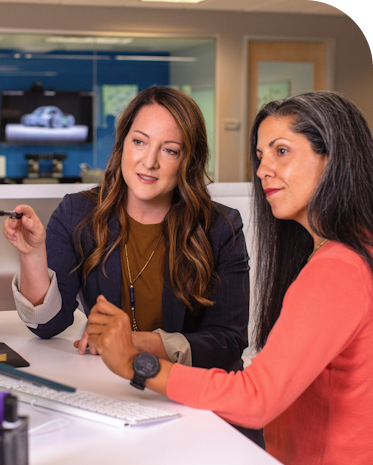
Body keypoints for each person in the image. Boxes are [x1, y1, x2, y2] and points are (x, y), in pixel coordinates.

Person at [85, 91, 373, 465]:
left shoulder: (338, 269)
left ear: (334, 159)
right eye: (260, 155)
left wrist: (135, 364)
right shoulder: (350, 252)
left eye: (281, 151)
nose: (263, 169)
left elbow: (256, 399)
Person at [3, 86, 263, 445]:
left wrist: (135, 344)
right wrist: (32, 254)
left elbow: (228, 342)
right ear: (122, 144)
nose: (149, 162)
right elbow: (48, 325)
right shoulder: (78, 213)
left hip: (199, 404)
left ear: (188, 160)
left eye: (169, 150)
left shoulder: (220, 226)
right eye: (139, 142)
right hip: (116, 397)